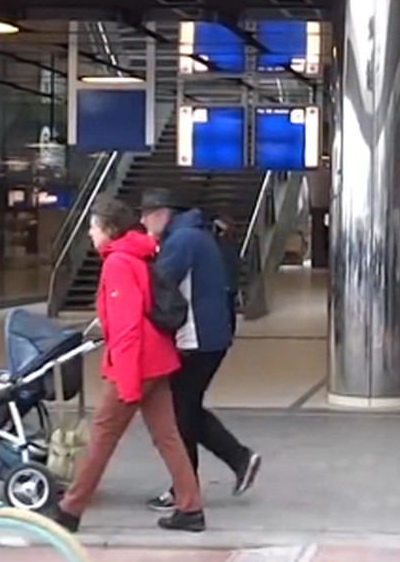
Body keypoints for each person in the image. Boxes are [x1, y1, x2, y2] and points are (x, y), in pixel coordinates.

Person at [52, 197, 207, 532]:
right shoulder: (139, 254)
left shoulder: (118, 264)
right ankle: (190, 507)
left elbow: (126, 328)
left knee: (103, 436)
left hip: (135, 364)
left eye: (93, 227)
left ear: (108, 228)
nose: (90, 234)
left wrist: (126, 382)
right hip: (158, 359)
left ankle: (70, 508)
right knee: (168, 435)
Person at [137, 190, 262, 513]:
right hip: (210, 337)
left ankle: (193, 484)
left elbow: (158, 285)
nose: (142, 221)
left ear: (162, 213)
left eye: (146, 214)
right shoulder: (194, 234)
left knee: (180, 415)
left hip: (197, 340)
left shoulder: (181, 242)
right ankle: (230, 463)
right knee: (186, 411)